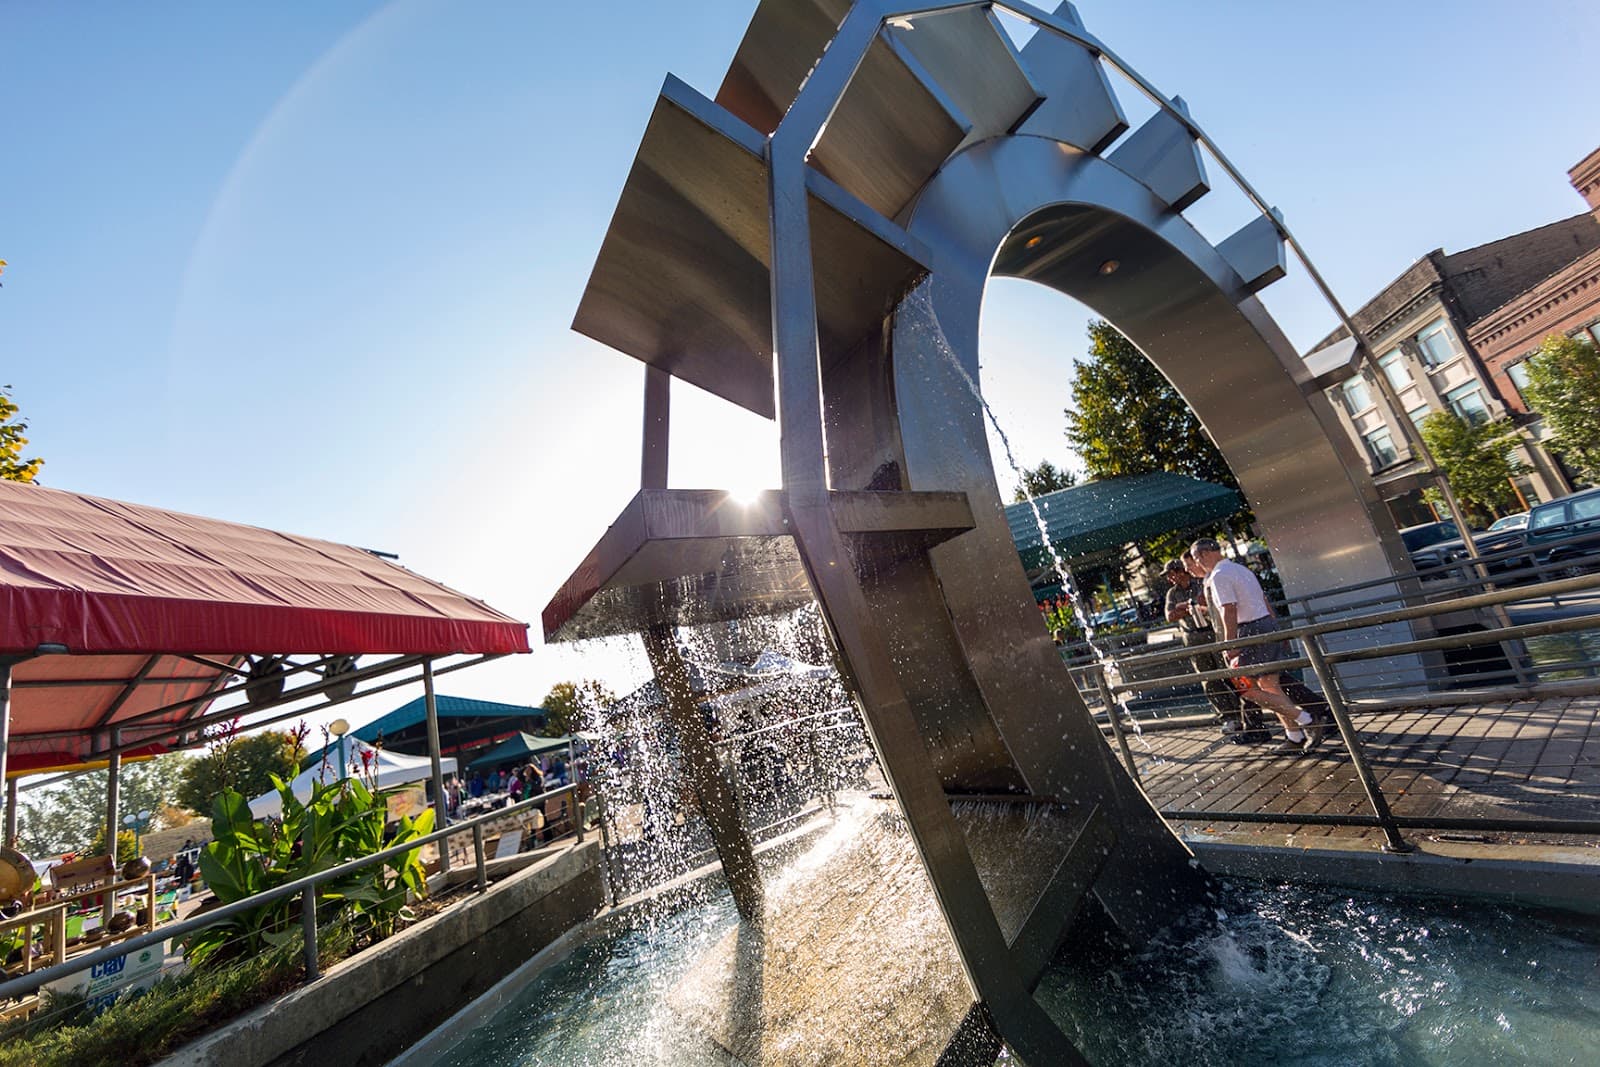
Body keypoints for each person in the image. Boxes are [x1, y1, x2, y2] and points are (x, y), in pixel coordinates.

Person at [1189, 537, 1325, 755]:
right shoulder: (1241, 570)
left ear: (1204, 554)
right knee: (1270, 686)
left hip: (1249, 630)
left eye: (1196, 559)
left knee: (1246, 690)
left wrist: (1230, 643)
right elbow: (1262, 601)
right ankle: (1294, 736)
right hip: (1265, 625)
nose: (1197, 564)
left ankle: (1307, 720)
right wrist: (1276, 629)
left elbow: (1229, 609)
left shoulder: (1219, 576)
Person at [1163, 556, 1259, 738]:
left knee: (1231, 674)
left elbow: (1212, 604)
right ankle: (1228, 715)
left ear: (1179, 571)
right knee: (1208, 679)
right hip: (1193, 638)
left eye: (1171, 574)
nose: (1170, 579)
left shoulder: (1202, 582)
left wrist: (1191, 607)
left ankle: (1248, 715)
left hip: (1213, 633)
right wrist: (1187, 608)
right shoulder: (1172, 593)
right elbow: (1170, 615)